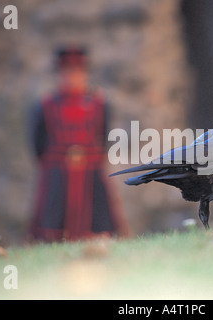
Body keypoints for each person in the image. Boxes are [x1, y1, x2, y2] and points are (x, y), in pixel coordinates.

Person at [28, 46, 130, 242]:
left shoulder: (99, 104)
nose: (71, 77)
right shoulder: (45, 106)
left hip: (91, 175)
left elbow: (104, 137)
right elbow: (38, 145)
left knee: (99, 224)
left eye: (76, 72)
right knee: (53, 226)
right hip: (57, 177)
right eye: (66, 72)